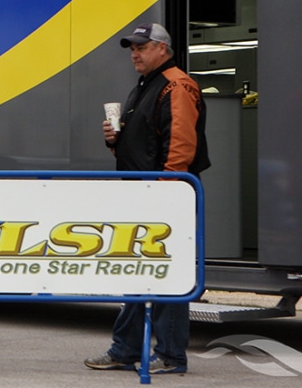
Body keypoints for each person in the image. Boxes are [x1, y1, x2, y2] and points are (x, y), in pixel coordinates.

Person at [84, 23, 209, 375]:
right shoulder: (146, 87)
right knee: (141, 273)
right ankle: (126, 349)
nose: (134, 54)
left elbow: (181, 146)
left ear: (162, 49)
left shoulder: (176, 85)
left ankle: (169, 355)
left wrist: (167, 191)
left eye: (141, 47)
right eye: (131, 49)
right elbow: (146, 142)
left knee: (167, 276)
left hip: (165, 195)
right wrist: (115, 140)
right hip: (147, 193)